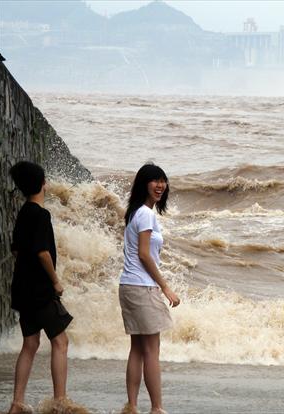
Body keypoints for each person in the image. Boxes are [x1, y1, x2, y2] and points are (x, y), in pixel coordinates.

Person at [7, 161, 73, 414]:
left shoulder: (24, 212)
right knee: (60, 342)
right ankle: (60, 403)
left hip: (22, 289)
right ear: (42, 183)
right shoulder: (41, 214)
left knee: (30, 344)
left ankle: (17, 402)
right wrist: (55, 280)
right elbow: (43, 252)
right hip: (40, 291)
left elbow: (16, 249)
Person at [119, 163, 180, 414]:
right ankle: (156, 408)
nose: (160, 185)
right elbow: (145, 254)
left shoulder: (135, 212)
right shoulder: (145, 214)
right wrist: (165, 287)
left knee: (138, 349)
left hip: (129, 285)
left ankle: (132, 407)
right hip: (142, 287)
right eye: (154, 181)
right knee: (152, 351)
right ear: (143, 184)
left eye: (163, 181)